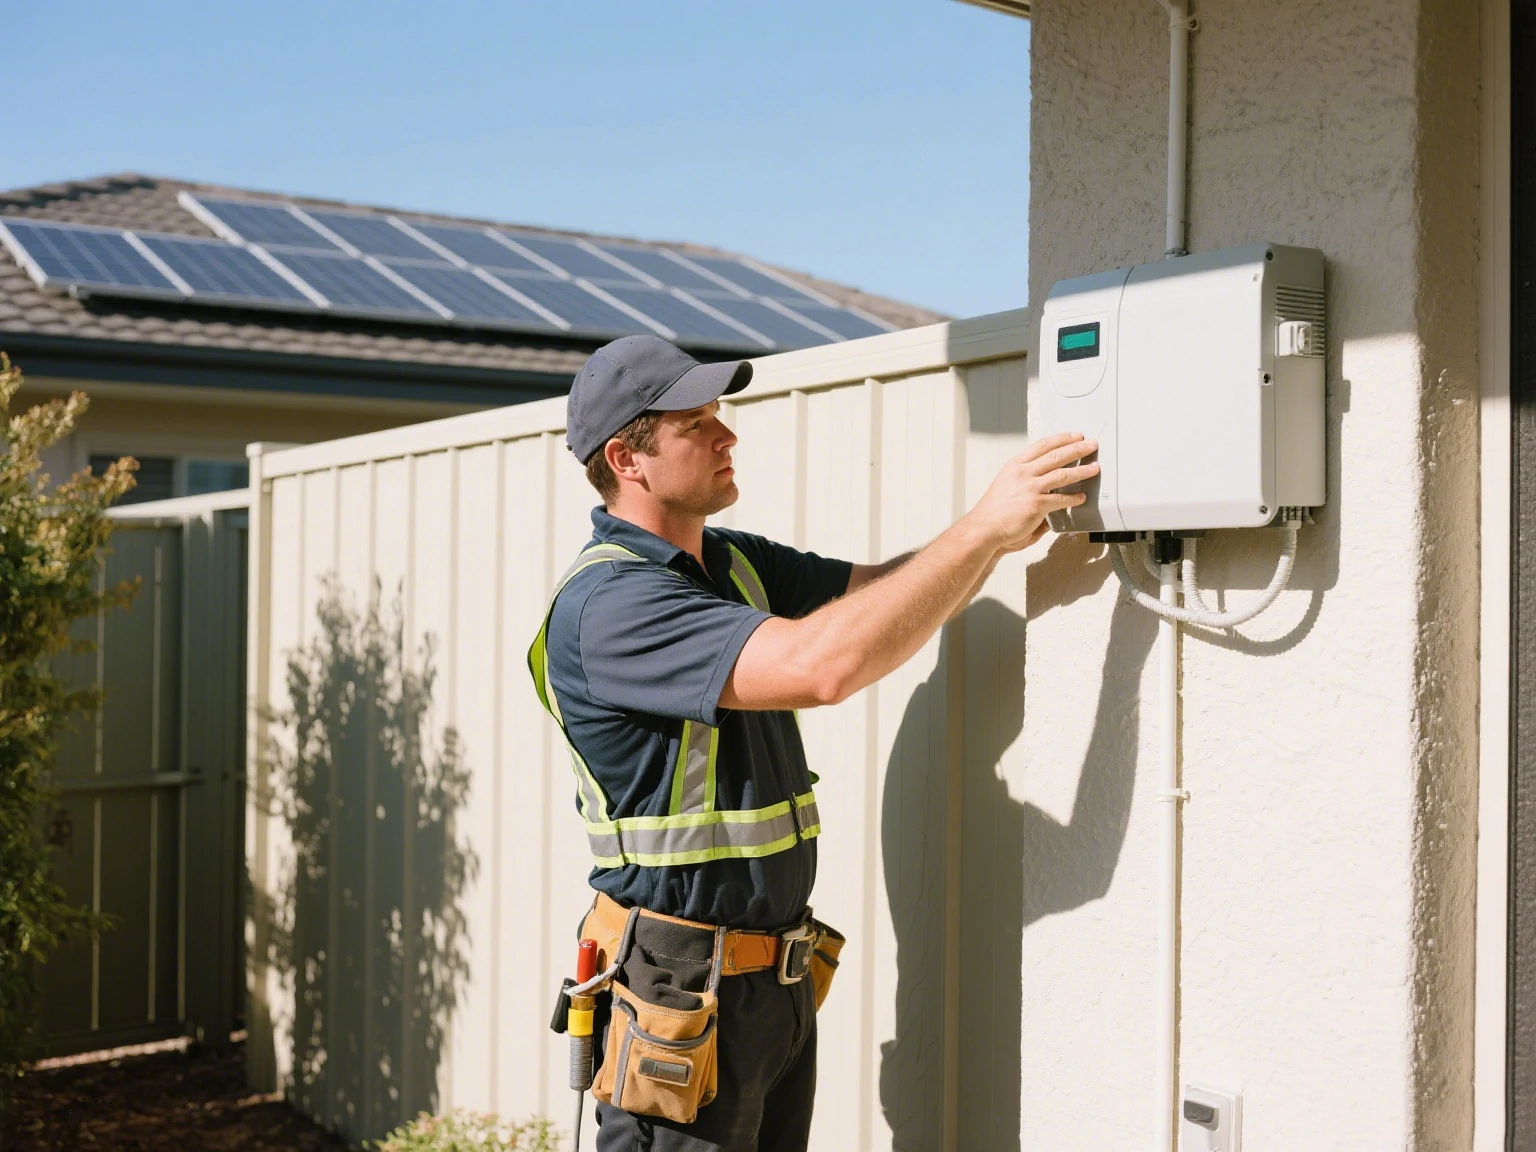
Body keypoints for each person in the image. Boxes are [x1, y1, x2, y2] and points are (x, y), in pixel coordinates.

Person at [530, 335, 1097, 1152]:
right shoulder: (612, 605)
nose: (727, 435)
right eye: (697, 424)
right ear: (627, 459)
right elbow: (823, 665)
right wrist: (982, 528)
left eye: (720, 415)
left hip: (772, 983)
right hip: (678, 988)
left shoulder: (730, 563)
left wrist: (1000, 538)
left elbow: (888, 592)